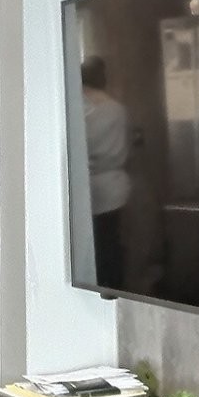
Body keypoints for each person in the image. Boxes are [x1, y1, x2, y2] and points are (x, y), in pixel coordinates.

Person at [81, 56, 130, 289]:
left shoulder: (79, 109)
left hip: (88, 187)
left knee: (94, 247)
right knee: (112, 242)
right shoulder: (117, 109)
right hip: (114, 187)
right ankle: (115, 288)